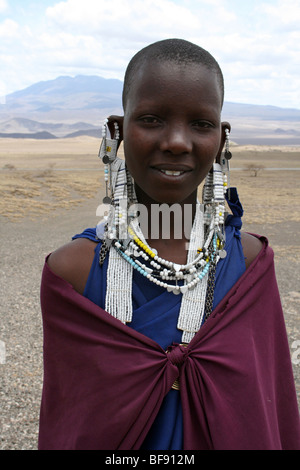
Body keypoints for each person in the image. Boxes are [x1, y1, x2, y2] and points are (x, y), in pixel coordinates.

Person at [38, 38, 300, 450]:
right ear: (117, 131)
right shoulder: (71, 270)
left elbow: (266, 409)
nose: (177, 141)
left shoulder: (249, 261)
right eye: (152, 119)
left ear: (222, 139)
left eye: (201, 123)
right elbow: (71, 420)